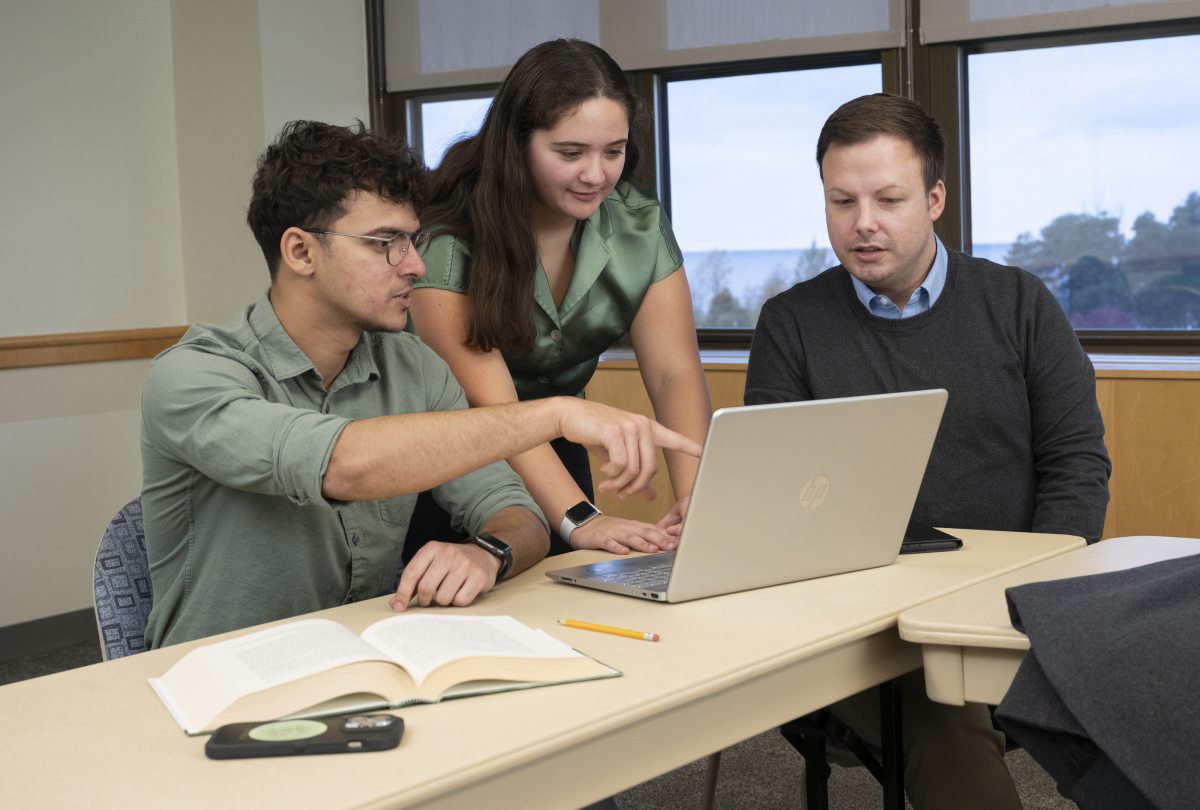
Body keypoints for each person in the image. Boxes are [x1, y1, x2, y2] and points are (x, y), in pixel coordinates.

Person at [141, 120, 701, 649]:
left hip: (365, 661)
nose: (414, 265)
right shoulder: (194, 376)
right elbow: (343, 465)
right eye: (386, 243)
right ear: (300, 251)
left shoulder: (416, 367)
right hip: (221, 680)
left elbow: (516, 512)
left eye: (412, 240)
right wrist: (553, 414)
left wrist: (488, 552)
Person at [745, 94, 1111, 809]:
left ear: (935, 198)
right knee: (939, 703)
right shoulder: (791, 324)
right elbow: (776, 498)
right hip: (860, 626)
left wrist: (1021, 604)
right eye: (841, 201)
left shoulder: (1019, 304)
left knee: (1160, 689)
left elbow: (1077, 465)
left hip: (1012, 605)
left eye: (888, 198)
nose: (863, 223)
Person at [412, 39, 711, 558]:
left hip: (558, 450)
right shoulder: (448, 243)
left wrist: (700, 499)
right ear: (517, 145)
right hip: (450, 462)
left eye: (613, 152)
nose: (596, 174)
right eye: (570, 153)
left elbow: (674, 372)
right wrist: (580, 519)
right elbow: (495, 407)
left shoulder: (637, 222)